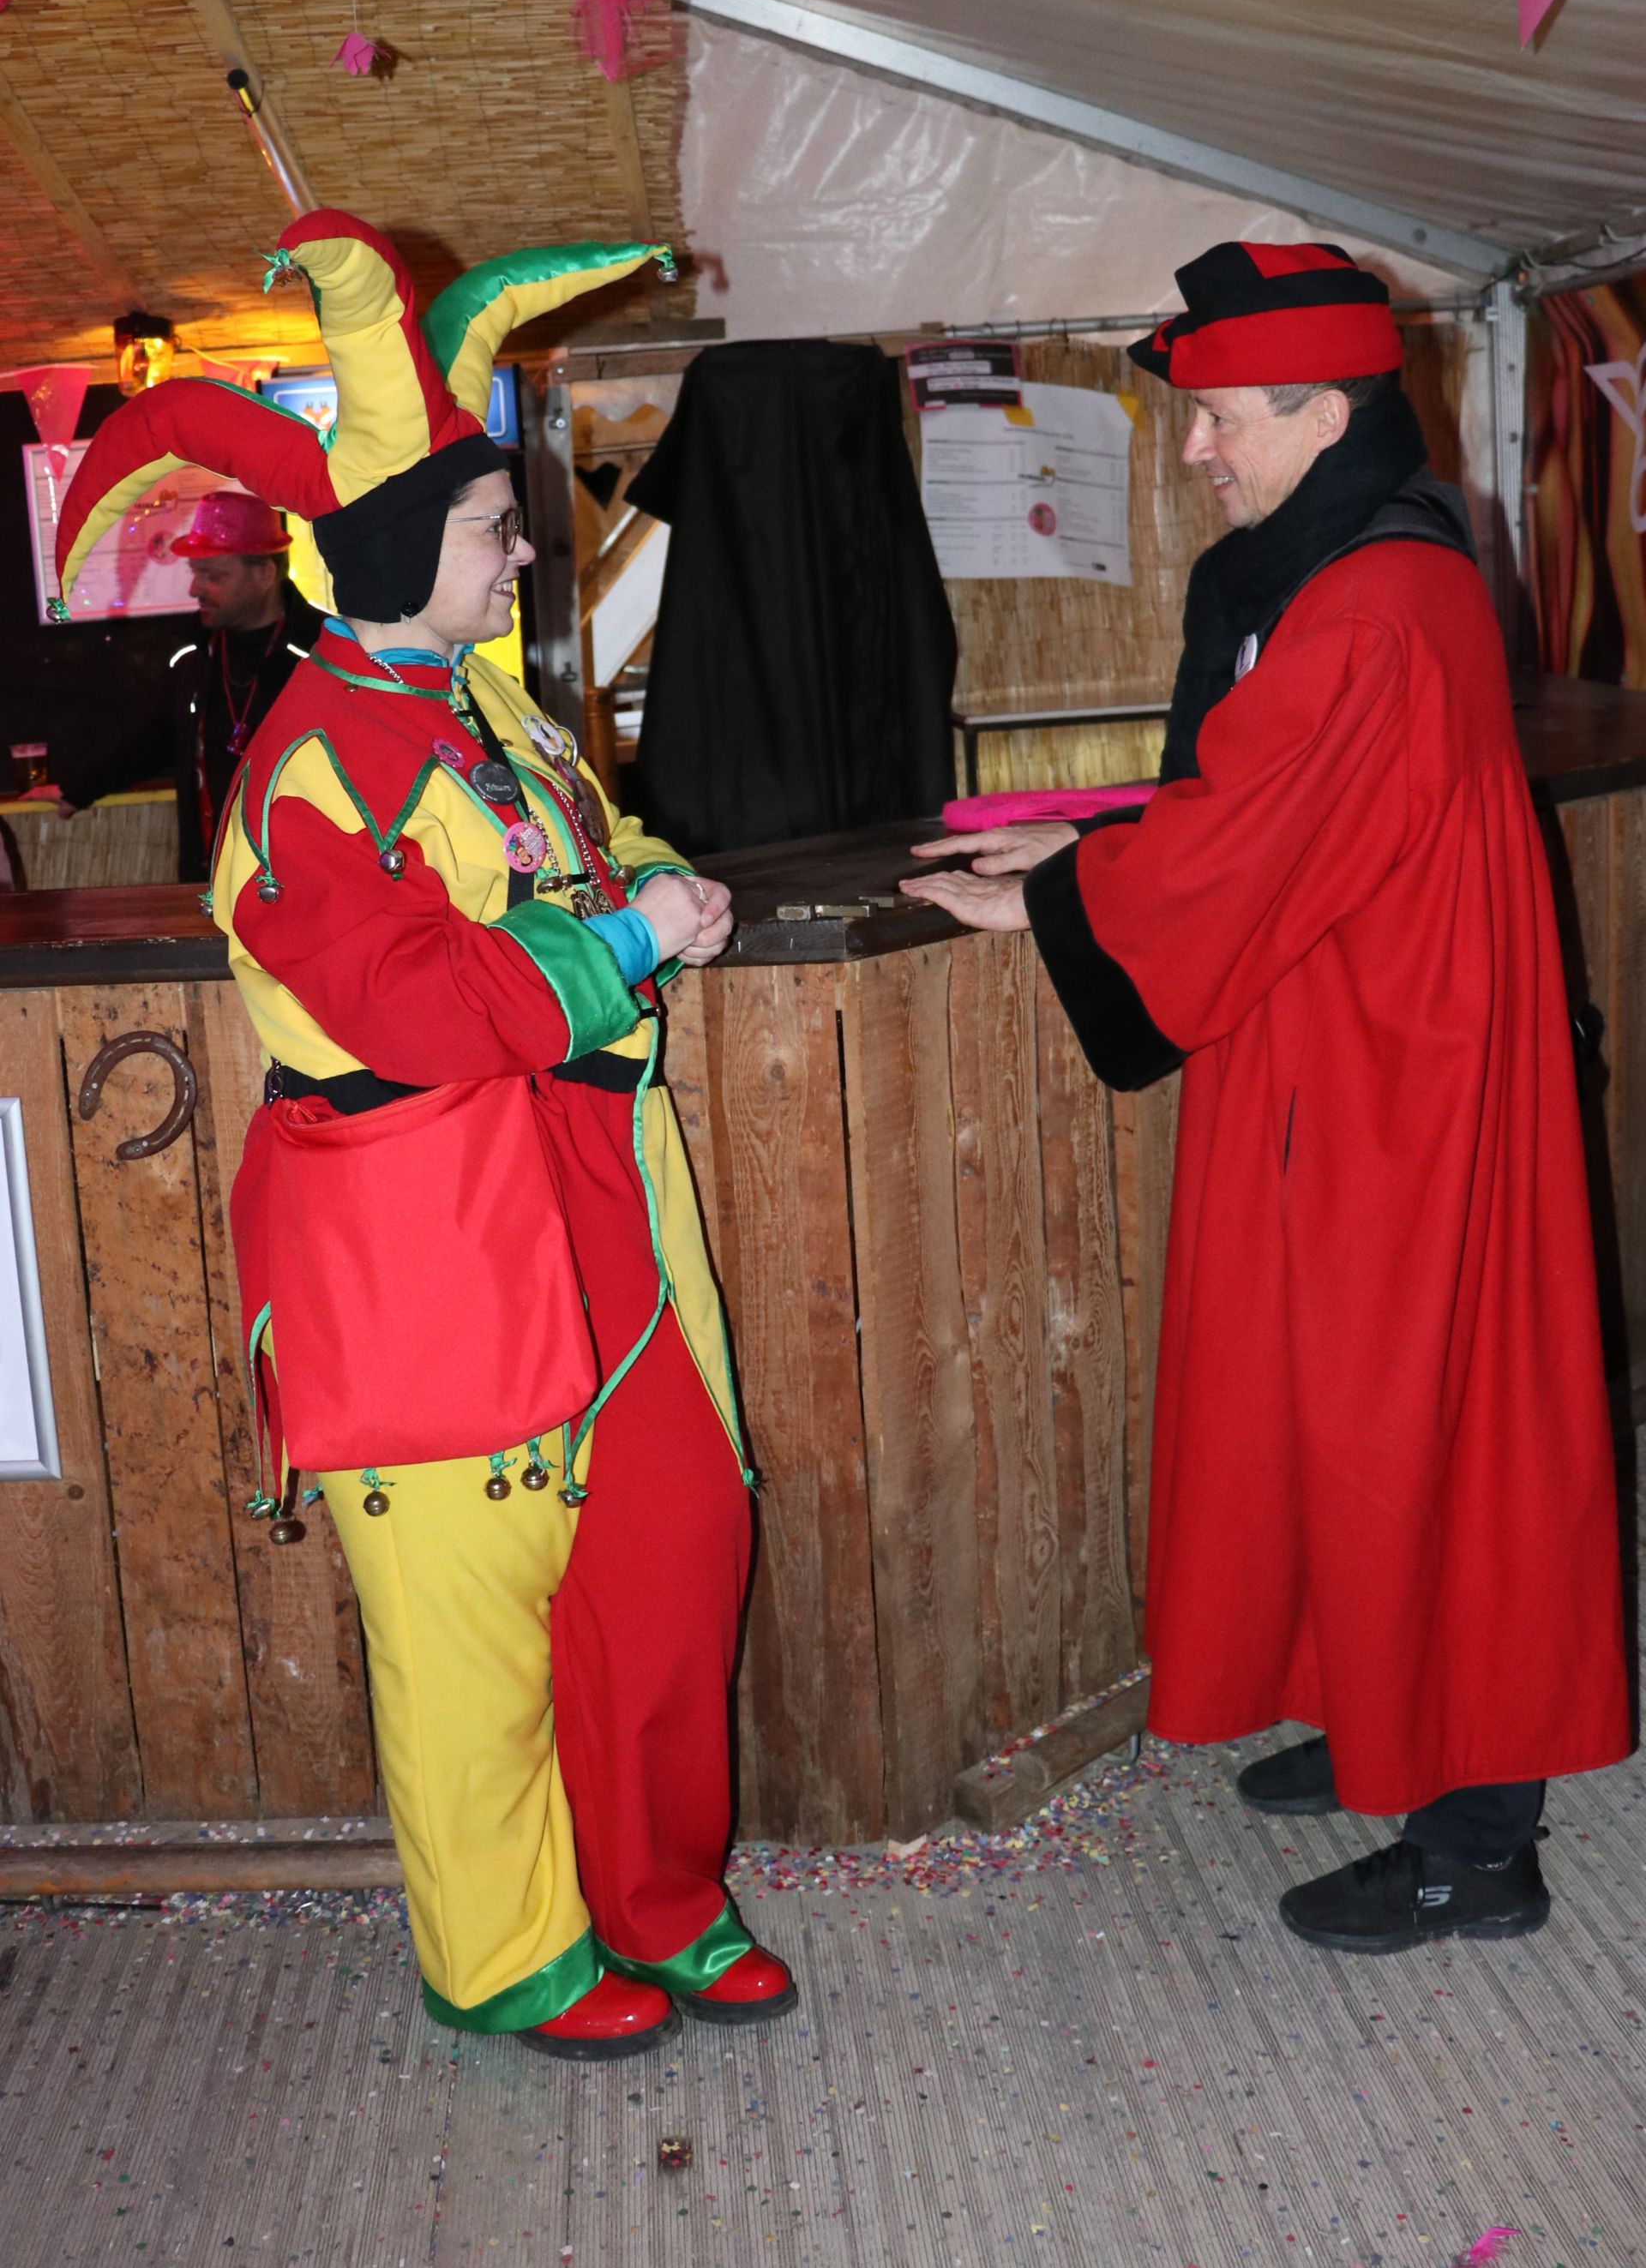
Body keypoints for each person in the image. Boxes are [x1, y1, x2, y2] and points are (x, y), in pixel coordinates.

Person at [53, 208, 795, 2058]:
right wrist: (626, 942)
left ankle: (660, 1894)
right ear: (393, 552)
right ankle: (508, 1950)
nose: (520, 545)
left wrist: (661, 880)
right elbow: (418, 1001)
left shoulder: (491, 705)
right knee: (470, 1628)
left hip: (599, 1199)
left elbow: (588, 842)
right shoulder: (308, 767)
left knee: (673, 1544)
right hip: (429, 1238)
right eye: (487, 526)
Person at [903, 241, 1631, 1954]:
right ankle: (1382, 1708)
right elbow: (1268, 800)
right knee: (1335, 1412)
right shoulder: (1356, 563)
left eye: (1225, 417)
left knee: (1430, 1429)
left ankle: (1478, 1840)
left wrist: (1061, 893)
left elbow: (1260, 835)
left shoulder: (1372, 598)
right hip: (1365, 1045)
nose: (1198, 448)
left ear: (1329, 410)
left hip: (1400, 1087)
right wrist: (1093, 845)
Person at [57, 490, 323, 879]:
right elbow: (156, 741)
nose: (195, 589)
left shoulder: (326, 653)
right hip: (211, 880)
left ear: (265, 574)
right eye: (195, 573)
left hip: (302, 881)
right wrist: (76, 790)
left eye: (213, 576)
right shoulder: (194, 653)